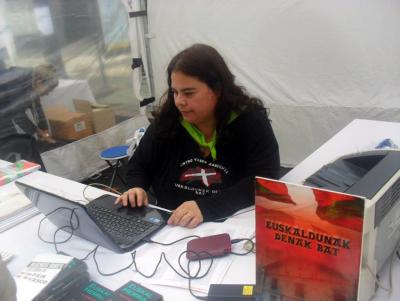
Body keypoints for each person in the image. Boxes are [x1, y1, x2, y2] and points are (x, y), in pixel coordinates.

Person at [116, 43, 280, 228]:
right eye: (175, 92)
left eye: (188, 93)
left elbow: (264, 181)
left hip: (230, 226)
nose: (179, 102)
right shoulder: (168, 121)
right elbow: (140, 164)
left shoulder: (251, 122)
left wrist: (206, 207)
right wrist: (136, 186)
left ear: (217, 89)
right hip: (173, 226)